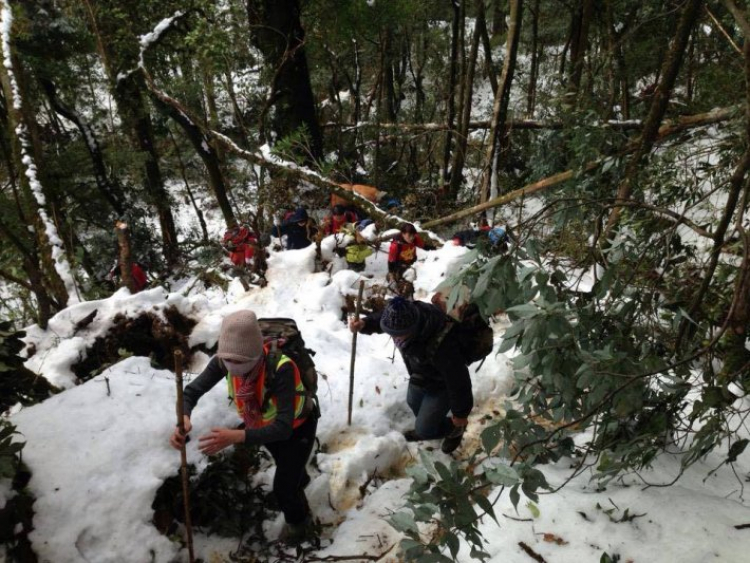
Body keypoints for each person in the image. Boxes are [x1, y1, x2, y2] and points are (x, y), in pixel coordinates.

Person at [169, 310, 318, 543]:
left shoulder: (281, 368)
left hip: (298, 428)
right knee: (287, 466)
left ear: (256, 354)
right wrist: (184, 417)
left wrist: (237, 436)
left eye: (240, 363)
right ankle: (298, 478)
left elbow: (283, 428)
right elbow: (191, 391)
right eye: (228, 361)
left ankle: (300, 526)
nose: (232, 367)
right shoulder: (224, 360)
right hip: (260, 424)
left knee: (283, 489)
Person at [348, 297, 471, 454]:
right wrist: (364, 324)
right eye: (392, 333)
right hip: (421, 373)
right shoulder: (405, 314)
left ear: (414, 328)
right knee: (413, 401)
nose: (395, 337)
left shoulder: (442, 344)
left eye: (399, 334)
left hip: (442, 383)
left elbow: (458, 380)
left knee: (424, 429)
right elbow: (382, 319)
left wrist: (460, 414)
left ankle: (455, 429)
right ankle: (429, 423)